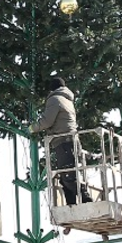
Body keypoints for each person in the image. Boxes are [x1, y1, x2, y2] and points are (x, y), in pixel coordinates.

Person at [31, 76, 79, 204]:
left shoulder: (54, 99)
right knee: (67, 174)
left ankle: (85, 200)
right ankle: (71, 204)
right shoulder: (68, 100)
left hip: (62, 140)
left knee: (68, 175)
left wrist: (32, 128)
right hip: (71, 139)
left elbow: (47, 121)